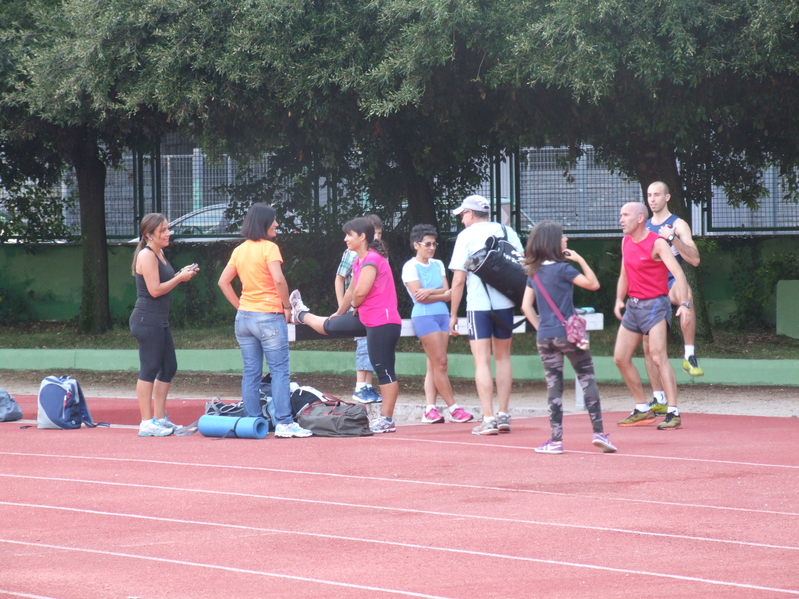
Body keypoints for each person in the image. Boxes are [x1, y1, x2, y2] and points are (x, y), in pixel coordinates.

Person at [289, 217, 402, 434]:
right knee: (330, 325)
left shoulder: (372, 258)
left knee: (384, 370)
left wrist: (355, 304)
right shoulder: (359, 260)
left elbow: (360, 293)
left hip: (382, 321)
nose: (345, 239)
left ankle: (387, 419)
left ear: (362, 237)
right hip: (368, 318)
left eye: (349, 235)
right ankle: (300, 313)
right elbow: (351, 291)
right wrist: (339, 313)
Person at [521, 221, 616, 454]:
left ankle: (555, 441)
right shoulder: (564, 269)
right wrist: (580, 260)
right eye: (563, 236)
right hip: (568, 335)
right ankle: (599, 433)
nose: (566, 240)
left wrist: (542, 326)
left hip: (545, 336)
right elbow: (593, 284)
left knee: (554, 388)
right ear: (554, 242)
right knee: (587, 378)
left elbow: (526, 306)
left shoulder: (534, 272)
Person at [217, 203, 312, 438]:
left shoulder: (239, 250)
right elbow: (279, 280)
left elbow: (223, 282)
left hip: (245, 318)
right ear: (263, 223)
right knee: (279, 371)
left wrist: (242, 307)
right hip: (269, 316)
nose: (277, 224)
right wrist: (287, 307)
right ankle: (284, 423)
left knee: (251, 372)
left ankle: (252, 421)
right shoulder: (270, 248)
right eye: (274, 221)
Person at [448, 194, 523, 435]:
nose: (461, 219)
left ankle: (488, 418)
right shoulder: (507, 231)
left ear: (470, 214)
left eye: (462, 215)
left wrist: (452, 315)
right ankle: (503, 415)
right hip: (506, 303)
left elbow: (458, 280)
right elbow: (523, 266)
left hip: (478, 306)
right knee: (503, 358)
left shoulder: (466, 236)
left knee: (481, 360)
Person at [614, 202, 691, 430]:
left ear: (639, 218)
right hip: (633, 306)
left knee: (658, 357)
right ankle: (642, 408)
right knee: (620, 358)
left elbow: (679, 274)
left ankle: (673, 412)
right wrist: (619, 299)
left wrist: (685, 304)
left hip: (656, 305)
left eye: (625, 215)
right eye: (621, 215)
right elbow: (624, 274)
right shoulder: (626, 241)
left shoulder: (657, 243)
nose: (621, 219)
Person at [130, 213, 199, 437]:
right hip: (146, 319)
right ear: (149, 235)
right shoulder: (147, 255)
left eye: (168, 229)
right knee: (149, 368)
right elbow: (155, 290)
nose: (168, 233)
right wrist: (180, 279)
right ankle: (146, 422)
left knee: (169, 367)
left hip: (159, 320)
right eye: (163, 231)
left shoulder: (159, 252)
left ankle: (159, 418)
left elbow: (162, 282)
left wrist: (180, 273)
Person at [401, 224, 474, 424]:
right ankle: (453, 408)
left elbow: (448, 291)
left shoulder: (439, 264)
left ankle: (430, 409)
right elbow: (420, 297)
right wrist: (440, 294)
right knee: (440, 363)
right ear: (416, 245)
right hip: (424, 317)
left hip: (442, 316)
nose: (432, 248)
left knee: (435, 364)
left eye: (434, 244)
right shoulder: (410, 267)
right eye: (427, 244)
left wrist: (432, 292)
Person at [643, 181, 703, 418]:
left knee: (685, 293)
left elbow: (695, 259)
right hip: (650, 286)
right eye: (649, 195)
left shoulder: (678, 224)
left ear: (667, 197)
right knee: (648, 347)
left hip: (671, 280)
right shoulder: (643, 227)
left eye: (657, 194)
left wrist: (673, 238)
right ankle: (658, 399)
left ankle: (689, 354)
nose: (652, 199)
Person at [334, 214, 383, 404]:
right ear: (364, 235)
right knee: (363, 344)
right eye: (374, 233)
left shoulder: (375, 254)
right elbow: (340, 278)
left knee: (370, 344)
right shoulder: (353, 254)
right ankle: (360, 386)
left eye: (379, 233)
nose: (377, 237)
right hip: (355, 307)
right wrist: (342, 307)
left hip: (368, 308)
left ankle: (367, 386)